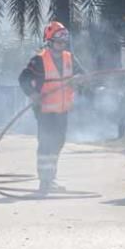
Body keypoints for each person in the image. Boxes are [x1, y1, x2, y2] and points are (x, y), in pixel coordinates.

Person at [19, 21, 83, 195]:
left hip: (62, 110)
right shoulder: (39, 59)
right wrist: (32, 94)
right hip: (45, 111)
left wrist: (79, 79)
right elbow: (23, 78)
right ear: (49, 41)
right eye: (58, 42)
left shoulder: (70, 58)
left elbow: (81, 74)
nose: (61, 45)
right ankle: (44, 181)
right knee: (46, 145)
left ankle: (51, 178)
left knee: (58, 143)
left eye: (64, 42)